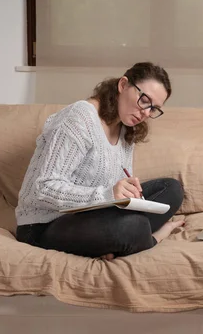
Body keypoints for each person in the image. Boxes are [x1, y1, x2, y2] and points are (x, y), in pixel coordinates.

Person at [15, 62, 184, 261]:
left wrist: (128, 194)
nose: (146, 113)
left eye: (154, 109)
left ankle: (119, 241)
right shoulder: (79, 117)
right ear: (123, 85)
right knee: (133, 225)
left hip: (91, 215)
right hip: (44, 224)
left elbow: (113, 194)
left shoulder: (125, 129)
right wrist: (108, 194)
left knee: (171, 189)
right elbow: (43, 187)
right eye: (144, 100)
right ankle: (153, 238)